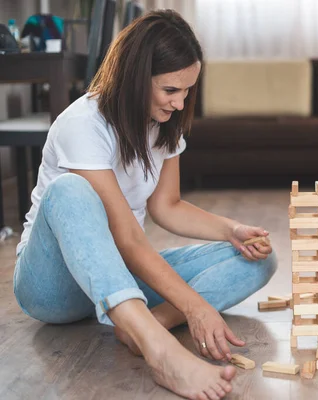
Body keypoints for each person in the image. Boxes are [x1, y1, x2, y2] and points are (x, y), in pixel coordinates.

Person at [12, 10, 277, 400]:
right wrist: (195, 307)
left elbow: (167, 206)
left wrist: (230, 231)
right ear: (135, 78)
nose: (180, 101)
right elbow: (128, 239)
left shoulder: (163, 125)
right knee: (70, 190)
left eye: (187, 90)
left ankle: (143, 323)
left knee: (259, 258)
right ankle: (159, 349)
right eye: (170, 90)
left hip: (115, 277)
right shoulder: (83, 124)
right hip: (55, 287)